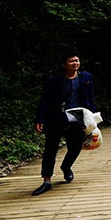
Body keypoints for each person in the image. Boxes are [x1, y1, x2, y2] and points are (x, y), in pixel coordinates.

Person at [32, 53, 96, 196]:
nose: (75, 63)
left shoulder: (86, 77)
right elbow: (45, 99)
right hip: (56, 117)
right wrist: (39, 119)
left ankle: (66, 167)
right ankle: (46, 180)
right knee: (50, 148)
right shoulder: (54, 80)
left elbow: (90, 98)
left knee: (76, 147)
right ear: (64, 64)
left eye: (77, 60)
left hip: (78, 117)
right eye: (71, 61)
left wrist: (92, 118)